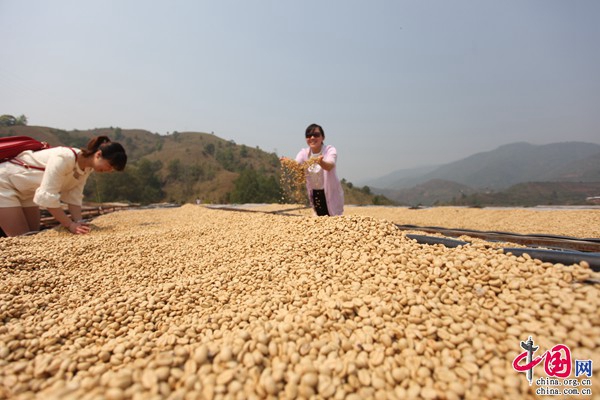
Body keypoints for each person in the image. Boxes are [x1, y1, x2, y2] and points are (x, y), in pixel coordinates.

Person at [0, 136, 127, 236]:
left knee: (33, 235)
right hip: (4, 184)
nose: (109, 170)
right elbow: (48, 198)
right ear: (98, 154)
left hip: (27, 192)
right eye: (110, 166)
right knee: (21, 238)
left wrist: (79, 223)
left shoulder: (87, 169)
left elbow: (74, 196)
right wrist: (69, 225)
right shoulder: (64, 158)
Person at [282, 123, 344, 216]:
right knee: (319, 219)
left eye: (316, 135)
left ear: (323, 137)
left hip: (331, 191)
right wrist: (289, 162)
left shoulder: (329, 150)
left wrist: (321, 162)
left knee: (334, 217)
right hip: (315, 192)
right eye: (308, 135)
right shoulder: (304, 153)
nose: (312, 138)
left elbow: (330, 165)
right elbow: (297, 165)